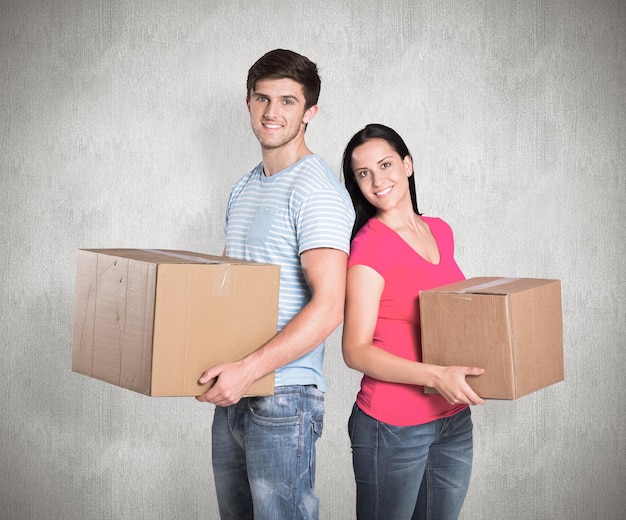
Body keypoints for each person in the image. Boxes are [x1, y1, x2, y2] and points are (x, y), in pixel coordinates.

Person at [195, 49, 355, 520]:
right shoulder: (245, 187)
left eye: (288, 101)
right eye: (262, 98)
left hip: (283, 396)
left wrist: (250, 370)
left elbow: (330, 307)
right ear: (248, 103)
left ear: (310, 112)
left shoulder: (316, 189)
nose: (272, 112)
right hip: (236, 388)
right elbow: (228, 290)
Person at [341, 123, 485, 520]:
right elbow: (355, 350)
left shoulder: (440, 230)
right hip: (393, 426)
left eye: (385, 164)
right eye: (363, 173)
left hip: (453, 420)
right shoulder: (370, 245)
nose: (377, 180)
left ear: (407, 165)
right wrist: (435, 376)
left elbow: (451, 318)